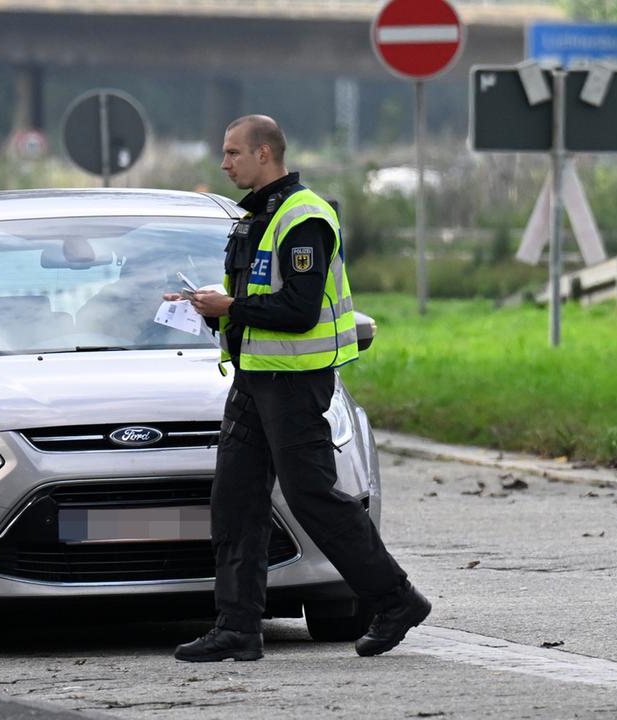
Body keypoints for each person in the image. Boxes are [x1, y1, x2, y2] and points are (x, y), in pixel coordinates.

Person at [168, 115, 429, 662]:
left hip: (293, 386)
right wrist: (210, 308)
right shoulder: (257, 216)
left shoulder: (304, 218)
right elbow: (260, 300)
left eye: (233, 152)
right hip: (254, 380)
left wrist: (231, 305)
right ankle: (238, 628)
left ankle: (396, 599)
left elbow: (298, 310)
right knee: (235, 501)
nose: (224, 163)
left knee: (312, 497)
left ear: (264, 154)